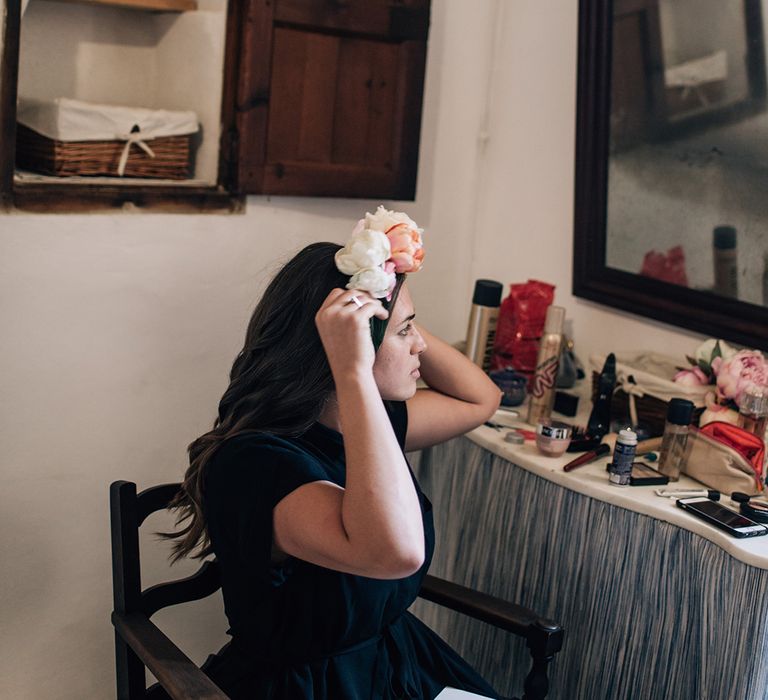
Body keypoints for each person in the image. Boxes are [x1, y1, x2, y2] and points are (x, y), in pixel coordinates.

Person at [163, 208, 502, 699]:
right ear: (345, 344)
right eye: (405, 332)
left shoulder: (362, 424)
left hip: (392, 663)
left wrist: (387, 279)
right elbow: (396, 552)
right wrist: (354, 369)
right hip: (312, 686)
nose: (421, 348)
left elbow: (481, 399)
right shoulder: (259, 464)